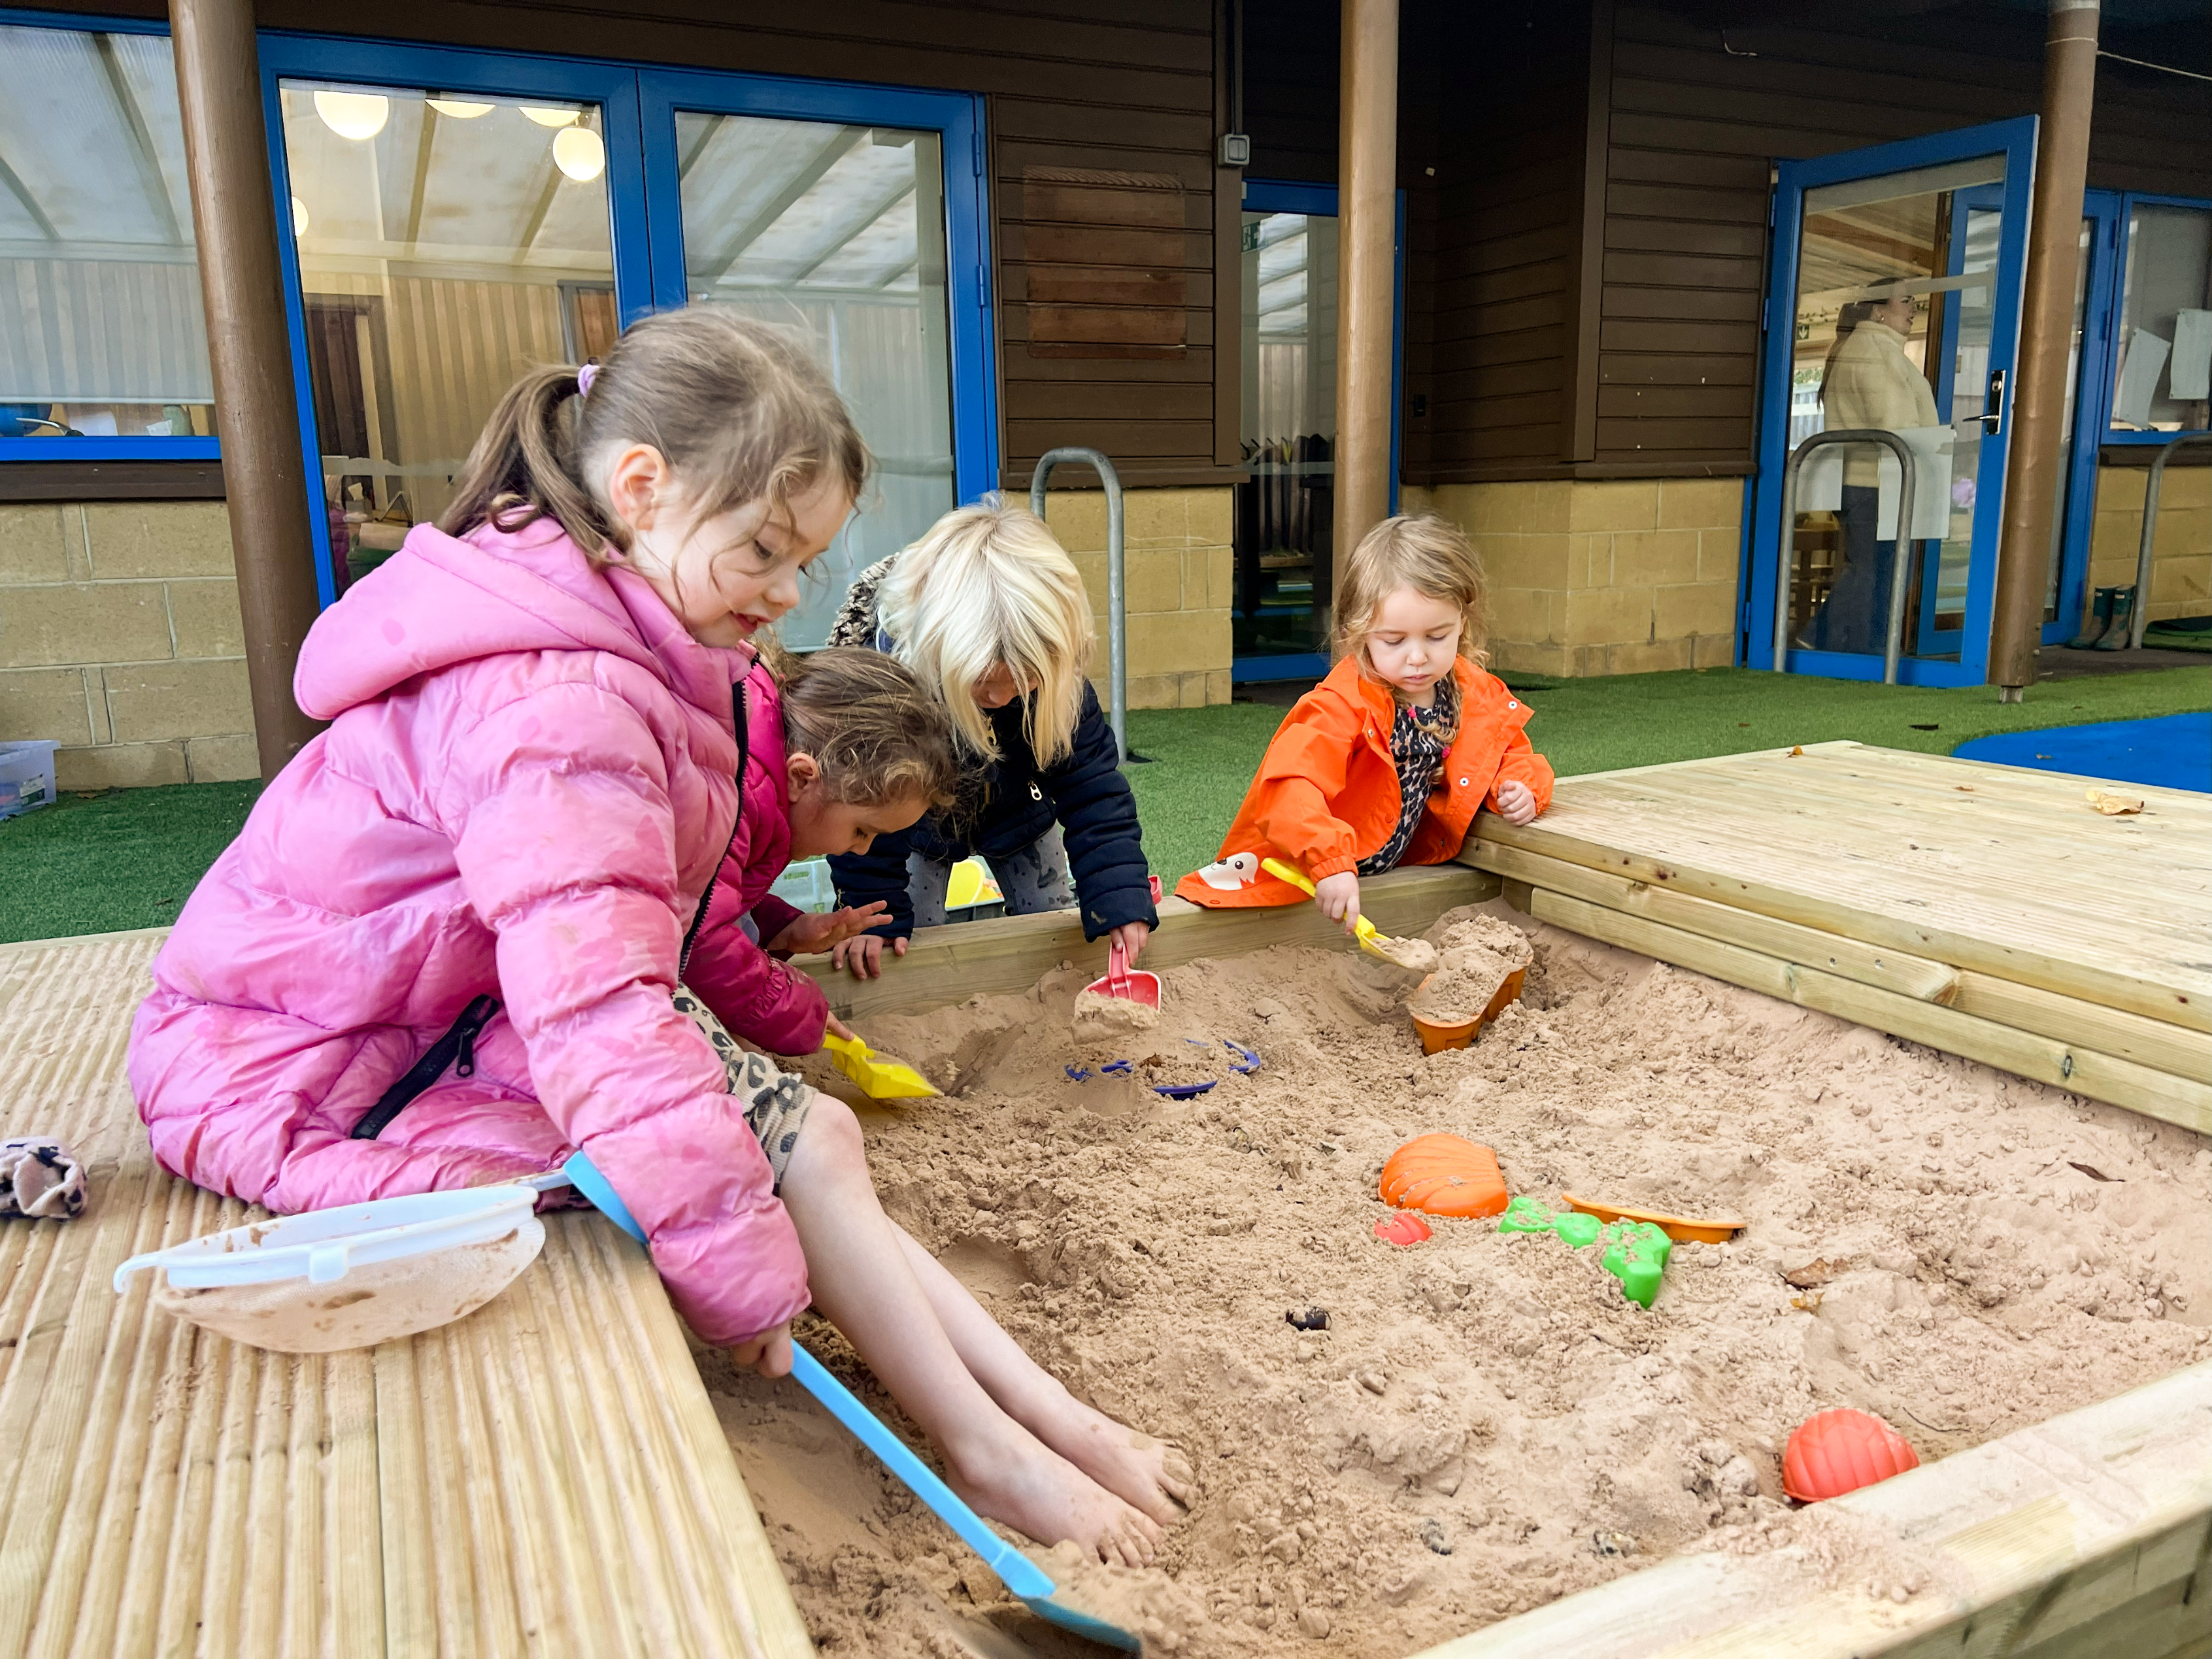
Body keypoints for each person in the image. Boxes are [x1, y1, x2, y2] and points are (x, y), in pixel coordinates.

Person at [127, 309, 1188, 1565]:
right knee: (795, 1152)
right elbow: (600, 1007)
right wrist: (735, 1264)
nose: (786, 596)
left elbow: (646, 913)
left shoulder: (651, 641)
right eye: (766, 551)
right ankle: (994, 1447)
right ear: (641, 490)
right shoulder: (558, 699)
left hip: (458, 1006)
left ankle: (1037, 1417)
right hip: (322, 1068)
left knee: (817, 1139)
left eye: (804, 561)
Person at [822, 500, 1157, 978]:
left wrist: (1118, 896)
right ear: (938, 649)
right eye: (981, 681)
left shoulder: (1060, 687)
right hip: (912, 821)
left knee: (1052, 918)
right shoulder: (888, 688)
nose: (999, 698)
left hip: (1017, 809)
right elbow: (865, 806)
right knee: (903, 941)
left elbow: (1093, 790)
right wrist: (872, 910)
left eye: (1021, 682)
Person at [1176, 514, 1553, 926]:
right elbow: (1289, 786)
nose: (1417, 657)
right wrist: (1329, 860)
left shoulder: (1471, 693)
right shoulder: (1342, 705)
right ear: (1360, 632)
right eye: (1394, 640)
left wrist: (1522, 788)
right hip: (1307, 875)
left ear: (1463, 621)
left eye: (1437, 636)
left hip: (1399, 868)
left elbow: (1510, 752)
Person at [1816, 294, 1938, 654]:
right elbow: (1897, 424)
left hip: (1867, 479)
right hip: (1879, 480)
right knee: (1880, 574)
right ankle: (1844, 644)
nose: (1914, 309)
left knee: (1871, 571)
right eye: (1906, 300)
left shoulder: (1865, 349)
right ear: (1878, 311)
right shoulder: (1876, 353)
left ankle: (1843, 644)